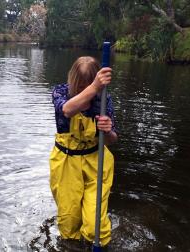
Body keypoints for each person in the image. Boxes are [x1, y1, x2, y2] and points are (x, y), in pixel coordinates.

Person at [49, 56, 117, 250]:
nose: (83, 92)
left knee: (95, 226)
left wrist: (108, 130)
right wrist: (94, 87)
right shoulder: (60, 92)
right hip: (66, 164)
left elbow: (113, 139)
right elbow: (67, 110)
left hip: (97, 163)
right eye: (79, 87)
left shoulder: (103, 100)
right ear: (72, 81)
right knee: (69, 222)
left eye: (87, 86)